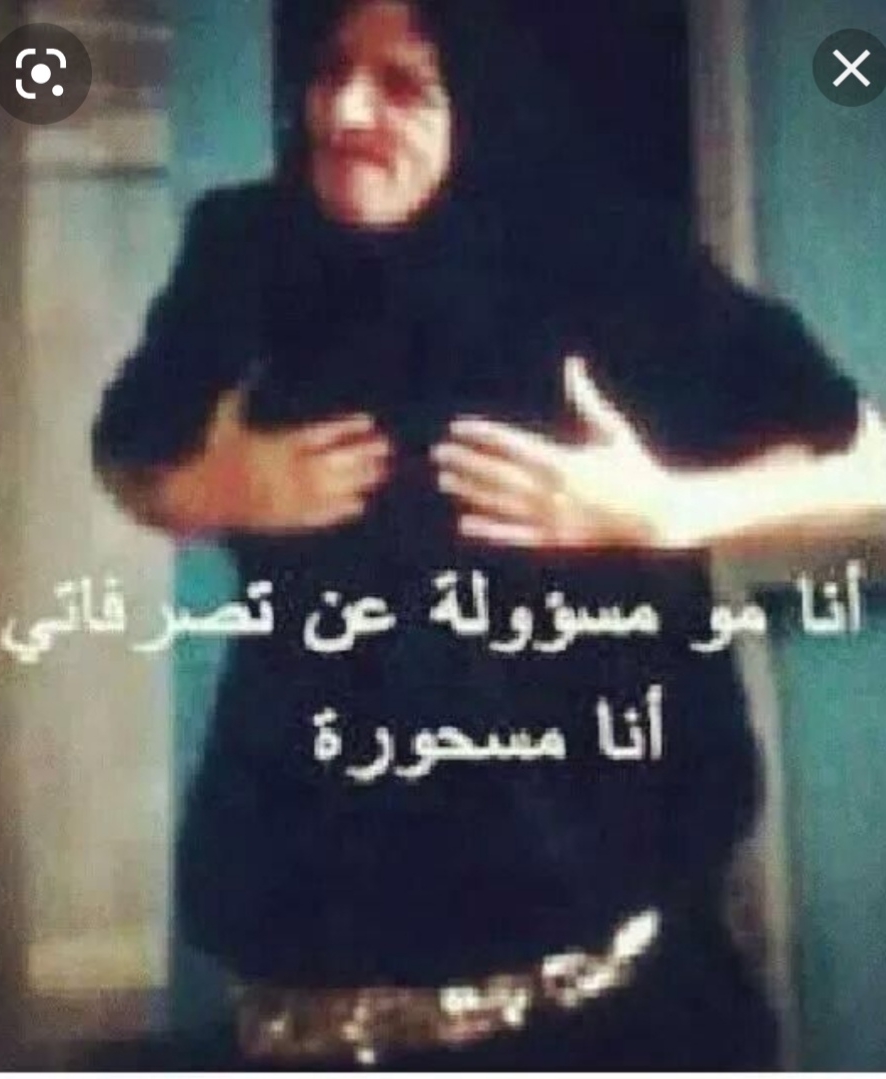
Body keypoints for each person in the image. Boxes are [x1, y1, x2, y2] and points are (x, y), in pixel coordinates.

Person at [92, 0, 886, 1067]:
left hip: (599, 1003)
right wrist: (215, 487)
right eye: (329, 72)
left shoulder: (608, 260)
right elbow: (130, 454)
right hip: (302, 988)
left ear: (485, 97)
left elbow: (869, 465)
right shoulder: (245, 246)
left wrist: (666, 510)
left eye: (402, 84)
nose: (344, 111)